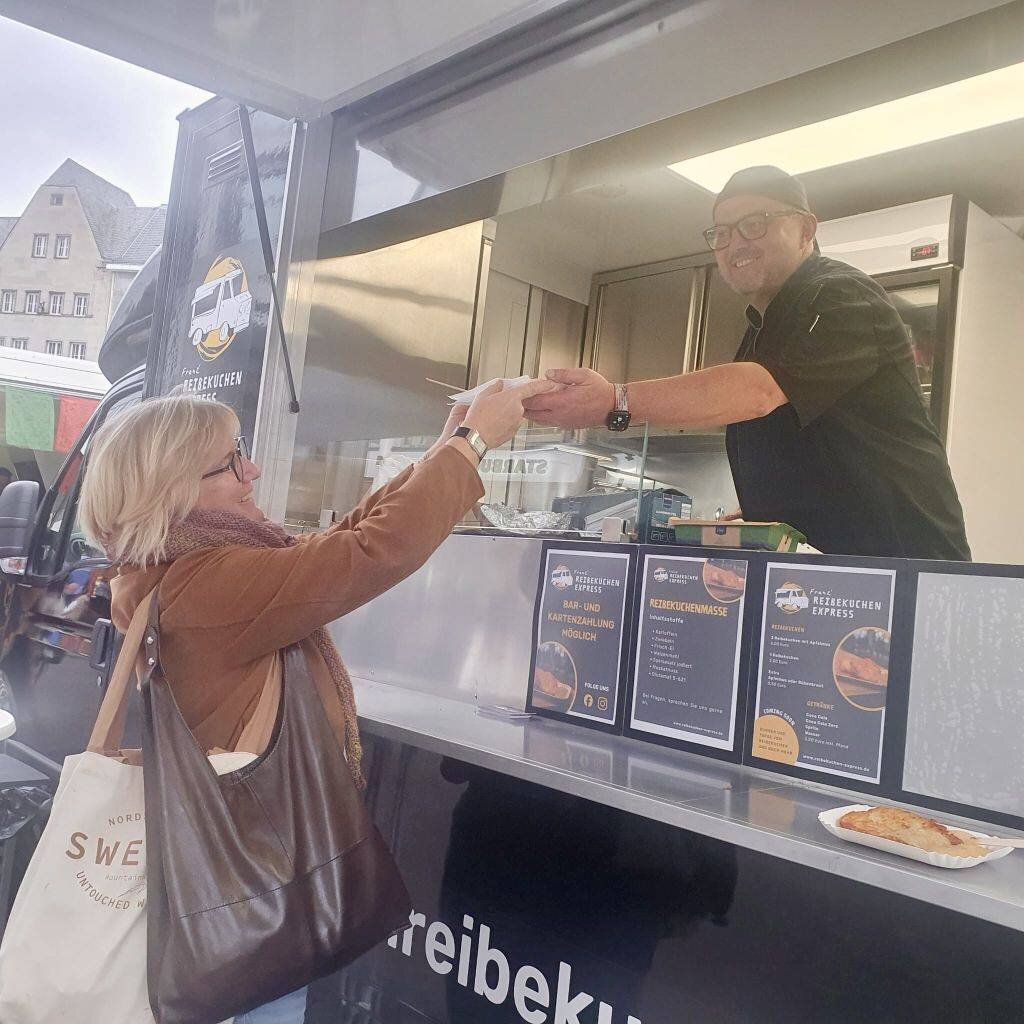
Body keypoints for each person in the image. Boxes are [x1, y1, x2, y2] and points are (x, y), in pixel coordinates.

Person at [77, 378, 553, 1023]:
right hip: (259, 887)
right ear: (172, 487)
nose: (253, 470)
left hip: (241, 871)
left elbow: (340, 544)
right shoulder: (207, 584)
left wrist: (445, 451)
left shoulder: (177, 567)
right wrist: (473, 444)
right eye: (230, 462)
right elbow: (366, 554)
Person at [523, 165, 971, 560]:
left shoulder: (838, 294)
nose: (734, 243)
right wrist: (760, 517)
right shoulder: (764, 326)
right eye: (721, 233)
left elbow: (756, 392)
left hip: (905, 565)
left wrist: (615, 400)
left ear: (805, 229)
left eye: (753, 224)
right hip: (834, 574)